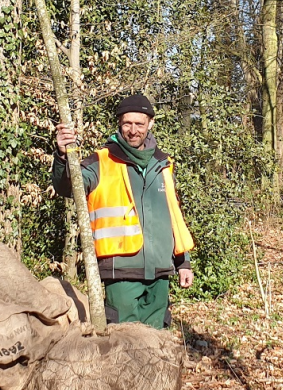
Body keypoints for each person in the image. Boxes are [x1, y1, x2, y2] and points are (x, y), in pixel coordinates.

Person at [52, 94, 194, 327]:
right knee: (123, 346)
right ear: (119, 123)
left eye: (139, 124)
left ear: (150, 124)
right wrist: (62, 155)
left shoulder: (163, 163)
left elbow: (173, 217)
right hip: (121, 273)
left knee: (156, 346)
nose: (133, 130)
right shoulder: (101, 161)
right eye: (127, 123)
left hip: (160, 271)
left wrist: (183, 263)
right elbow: (68, 186)